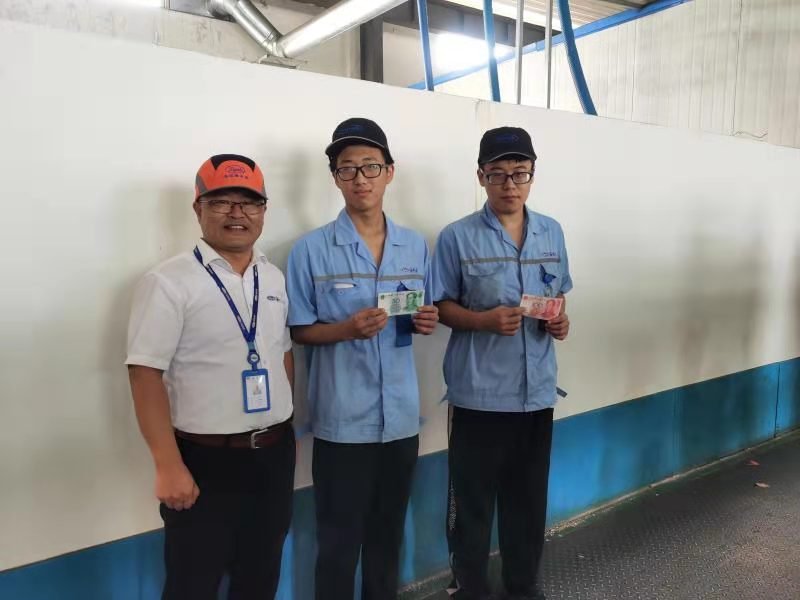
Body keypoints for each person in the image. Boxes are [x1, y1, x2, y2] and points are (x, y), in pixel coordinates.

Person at [125, 154, 295, 600]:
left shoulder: (272, 277)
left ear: (263, 210)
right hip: (204, 461)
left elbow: (282, 353)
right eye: (222, 202)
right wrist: (168, 465)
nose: (237, 213)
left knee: (260, 579)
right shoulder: (168, 282)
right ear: (198, 207)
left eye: (249, 202)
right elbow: (144, 375)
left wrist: (283, 421)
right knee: (192, 584)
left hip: (273, 455)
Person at [286, 118, 438, 600]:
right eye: (347, 168)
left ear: (390, 172)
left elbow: (420, 311)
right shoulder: (310, 250)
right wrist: (345, 330)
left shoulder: (414, 245)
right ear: (335, 178)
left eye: (370, 166)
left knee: (386, 540)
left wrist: (425, 320)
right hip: (342, 424)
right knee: (337, 545)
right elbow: (299, 330)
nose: (360, 178)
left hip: (400, 422)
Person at [432, 127, 572, 600]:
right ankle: (469, 589)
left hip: (536, 396)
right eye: (497, 174)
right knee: (472, 510)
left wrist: (560, 322)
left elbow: (559, 296)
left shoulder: (552, 231)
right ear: (481, 177)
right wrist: (482, 320)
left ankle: (523, 588)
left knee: (527, 506)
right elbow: (440, 306)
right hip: (479, 399)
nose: (510, 184)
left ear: (532, 175)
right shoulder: (457, 237)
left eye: (519, 173)